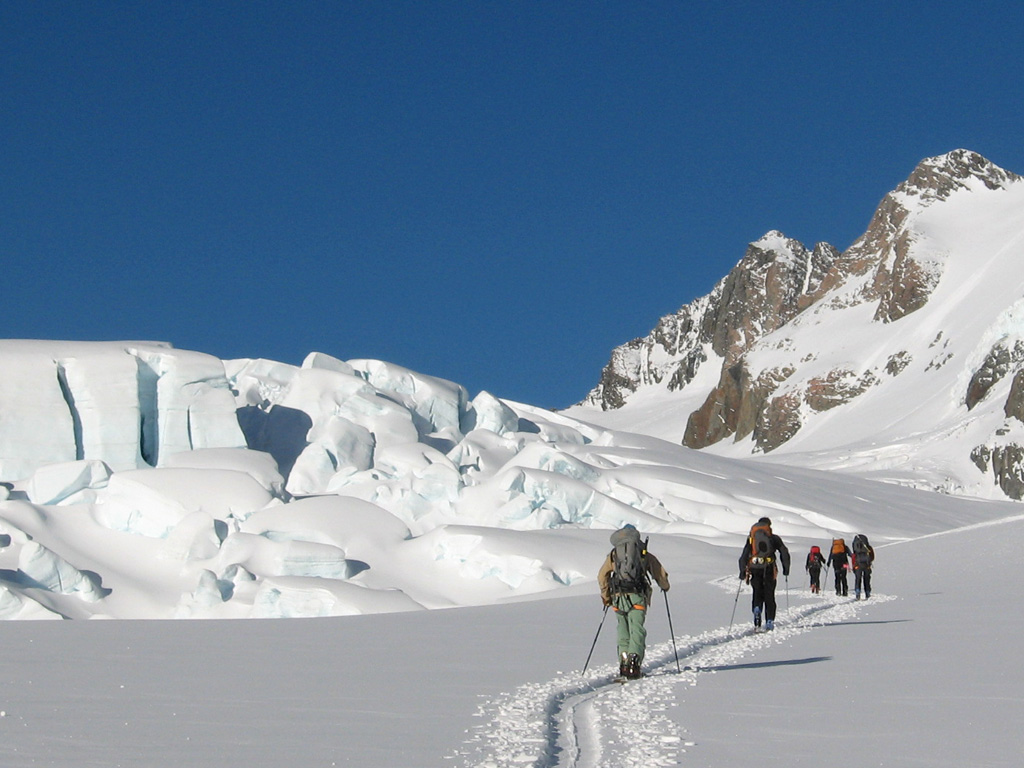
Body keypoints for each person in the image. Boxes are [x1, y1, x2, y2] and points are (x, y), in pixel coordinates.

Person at [598, 524, 670, 679]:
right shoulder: (643, 553)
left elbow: (602, 576)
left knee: (622, 629)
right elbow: (660, 575)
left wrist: (606, 597)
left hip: (618, 597)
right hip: (637, 595)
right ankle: (634, 662)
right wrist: (665, 587)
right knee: (636, 628)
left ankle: (623, 663)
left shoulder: (613, 554)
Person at [738, 517, 790, 631]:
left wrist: (742, 571)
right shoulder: (773, 538)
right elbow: (784, 552)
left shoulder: (751, 539)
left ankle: (757, 609)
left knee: (757, 592)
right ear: (769, 526)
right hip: (769, 568)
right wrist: (786, 569)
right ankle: (770, 621)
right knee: (769, 595)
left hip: (755, 568)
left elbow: (743, 556)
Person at [851, 533, 875, 599]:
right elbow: (872, 556)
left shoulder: (856, 547)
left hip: (858, 565)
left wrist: (854, 566)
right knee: (866, 579)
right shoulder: (868, 547)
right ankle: (867, 593)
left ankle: (858, 593)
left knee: (858, 579)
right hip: (867, 565)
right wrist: (869, 562)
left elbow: (853, 556)